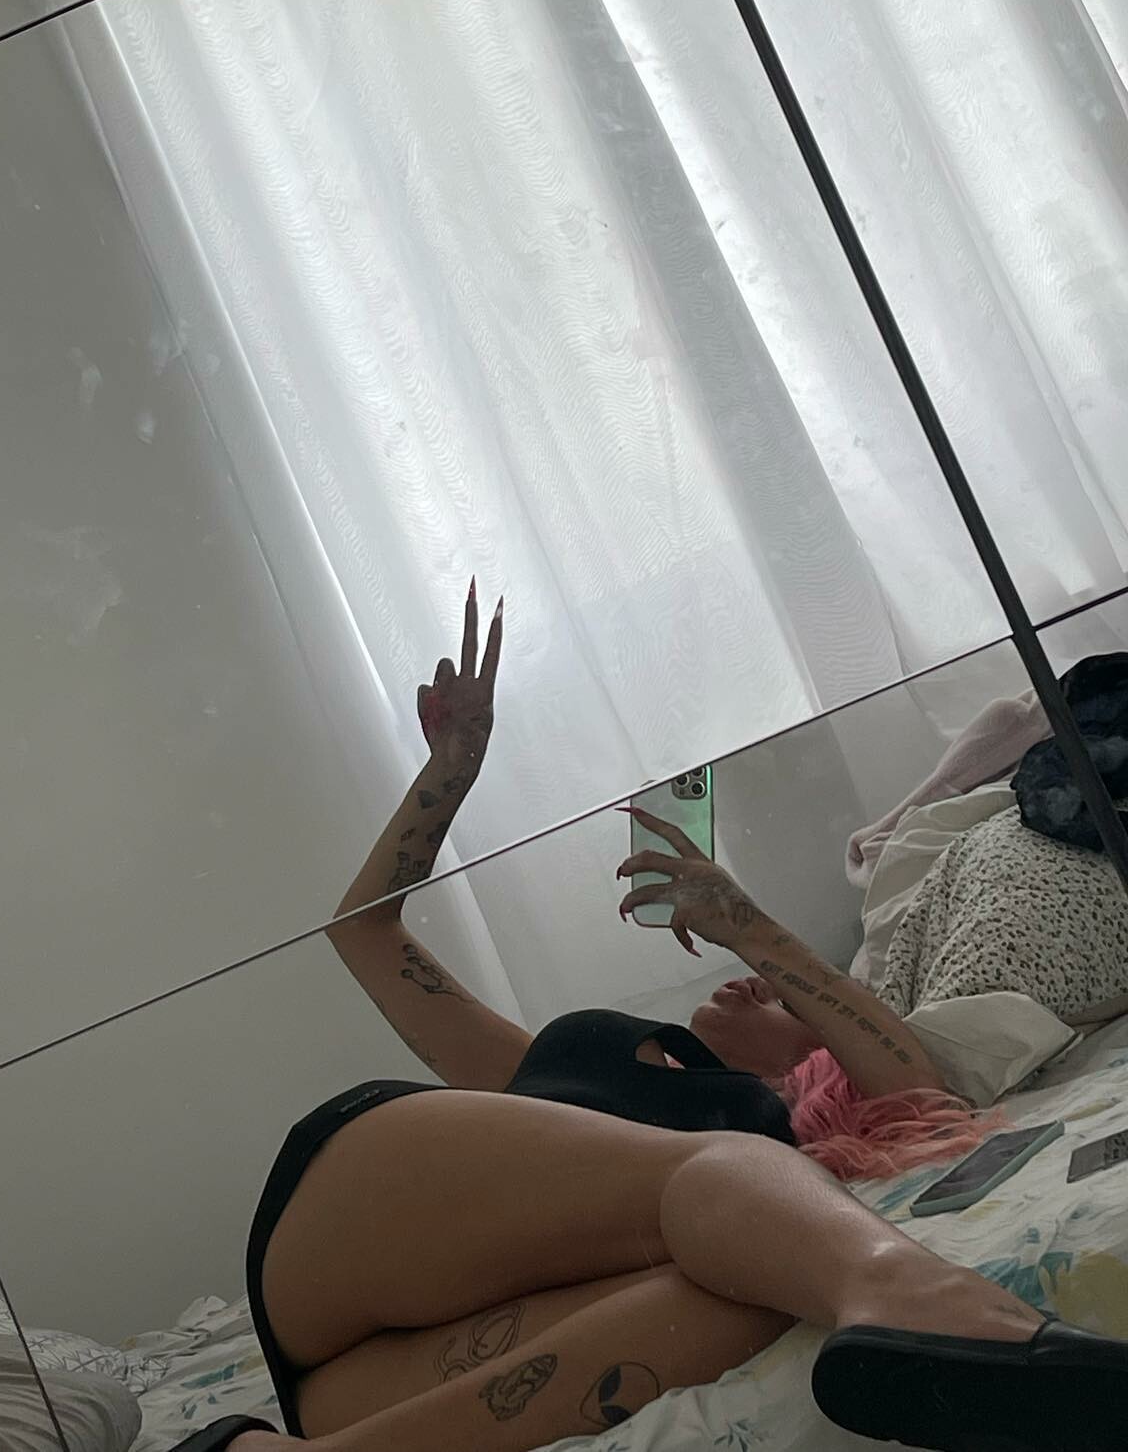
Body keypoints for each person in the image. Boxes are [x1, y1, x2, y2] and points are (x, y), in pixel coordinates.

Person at [180, 588, 1128, 1452]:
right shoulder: (553, 1078)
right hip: (349, 1225)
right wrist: (452, 771)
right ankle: (932, 1301)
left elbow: (915, 1091)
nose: (746, 989)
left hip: (354, 1382)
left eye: (777, 999)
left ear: (812, 1061)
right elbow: (365, 934)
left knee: (750, 1292)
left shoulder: (773, 1149)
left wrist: (752, 929)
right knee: (743, 1191)